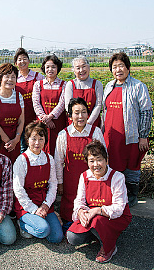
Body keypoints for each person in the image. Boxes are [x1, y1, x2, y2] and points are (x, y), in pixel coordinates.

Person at [67, 140, 132, 263]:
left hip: (115, 217)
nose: (96, 164)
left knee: (96, 221)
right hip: (93, 215)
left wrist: (97, 210)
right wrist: (80, 211)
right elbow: (79, 200)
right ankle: (100, 234)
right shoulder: (84, 176)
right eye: (91, 161)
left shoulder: (117, 177)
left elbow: (118, 208)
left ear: (106, 160)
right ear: (87, 162)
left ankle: (109, 247)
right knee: (72, 237)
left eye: (99, 159)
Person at [102, 52, 152, 207]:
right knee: (112, 166)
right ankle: (116, 194)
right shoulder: (109, 86)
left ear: (128, 68)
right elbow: (104, 111)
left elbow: (146, 112)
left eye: (121, 66)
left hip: (131, 136)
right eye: (115, 67)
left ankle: (131, 195)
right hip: (111, 136)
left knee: (131, 166)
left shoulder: (138, 86)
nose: (118, 70)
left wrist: (143, 136)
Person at [54, 98, 106, 231]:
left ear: (88, 114)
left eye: (83, 112)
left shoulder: (96, 132)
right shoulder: (63, 135)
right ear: (70, 115)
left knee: (91, 210)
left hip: (92, 181)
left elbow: (105, 159)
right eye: (76, 112)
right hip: (70, 180)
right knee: (69, 212)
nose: (80, 116)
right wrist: (60, 182)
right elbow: (58, 162)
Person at [13, 121, 63, 243]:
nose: (37, 143)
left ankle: (40, 221)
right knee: (43, 230)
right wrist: (34, 209)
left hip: (43, 202)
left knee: (56, 237)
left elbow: (53, 184)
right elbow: (18, 189)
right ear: (27, 139)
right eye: (33, 138)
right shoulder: (22, 160)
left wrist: (46, 205)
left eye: (41, 139)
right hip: (27, 204)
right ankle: (22, 222)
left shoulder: (49, 158)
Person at [0, 63, 24, 164]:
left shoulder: (18, 96)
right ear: (0, 78)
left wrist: (16, 139)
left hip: (15, 139)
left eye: (13, 77)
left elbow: (21, 120)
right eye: (7, 76)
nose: (10, 80)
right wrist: (7, 141)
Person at [32, 54, 67, 155]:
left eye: (53, 67)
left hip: (57, 123)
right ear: (44, 68)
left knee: (57, 150)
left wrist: (51, 116)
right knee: (40, 147)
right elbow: (36, 103)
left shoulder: (64, 84)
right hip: (41, 123)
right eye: (47, 67)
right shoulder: (38, 84)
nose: (50, 69)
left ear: (58, 68)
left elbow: (62, 103)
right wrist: (45, 119)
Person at [14, 48, 44, 151]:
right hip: (20, 117)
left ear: (29, 61)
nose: (22, 61)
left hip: (35, 115)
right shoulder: (14, 78)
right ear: (16, 63)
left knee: (36, 144)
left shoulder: (38, 76)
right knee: (23, 145)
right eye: (19, 59)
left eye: (24, 58)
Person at [64, 56, 103, 127]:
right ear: (74, 70)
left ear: (89, 67)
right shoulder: (70, 84)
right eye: (78, 68)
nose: (81, 70)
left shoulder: (97, 84)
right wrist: (77, 120)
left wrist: (89, 122)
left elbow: (98, 105)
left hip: (93, 122)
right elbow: (68, 105)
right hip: (75, 123)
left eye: (84, 66)